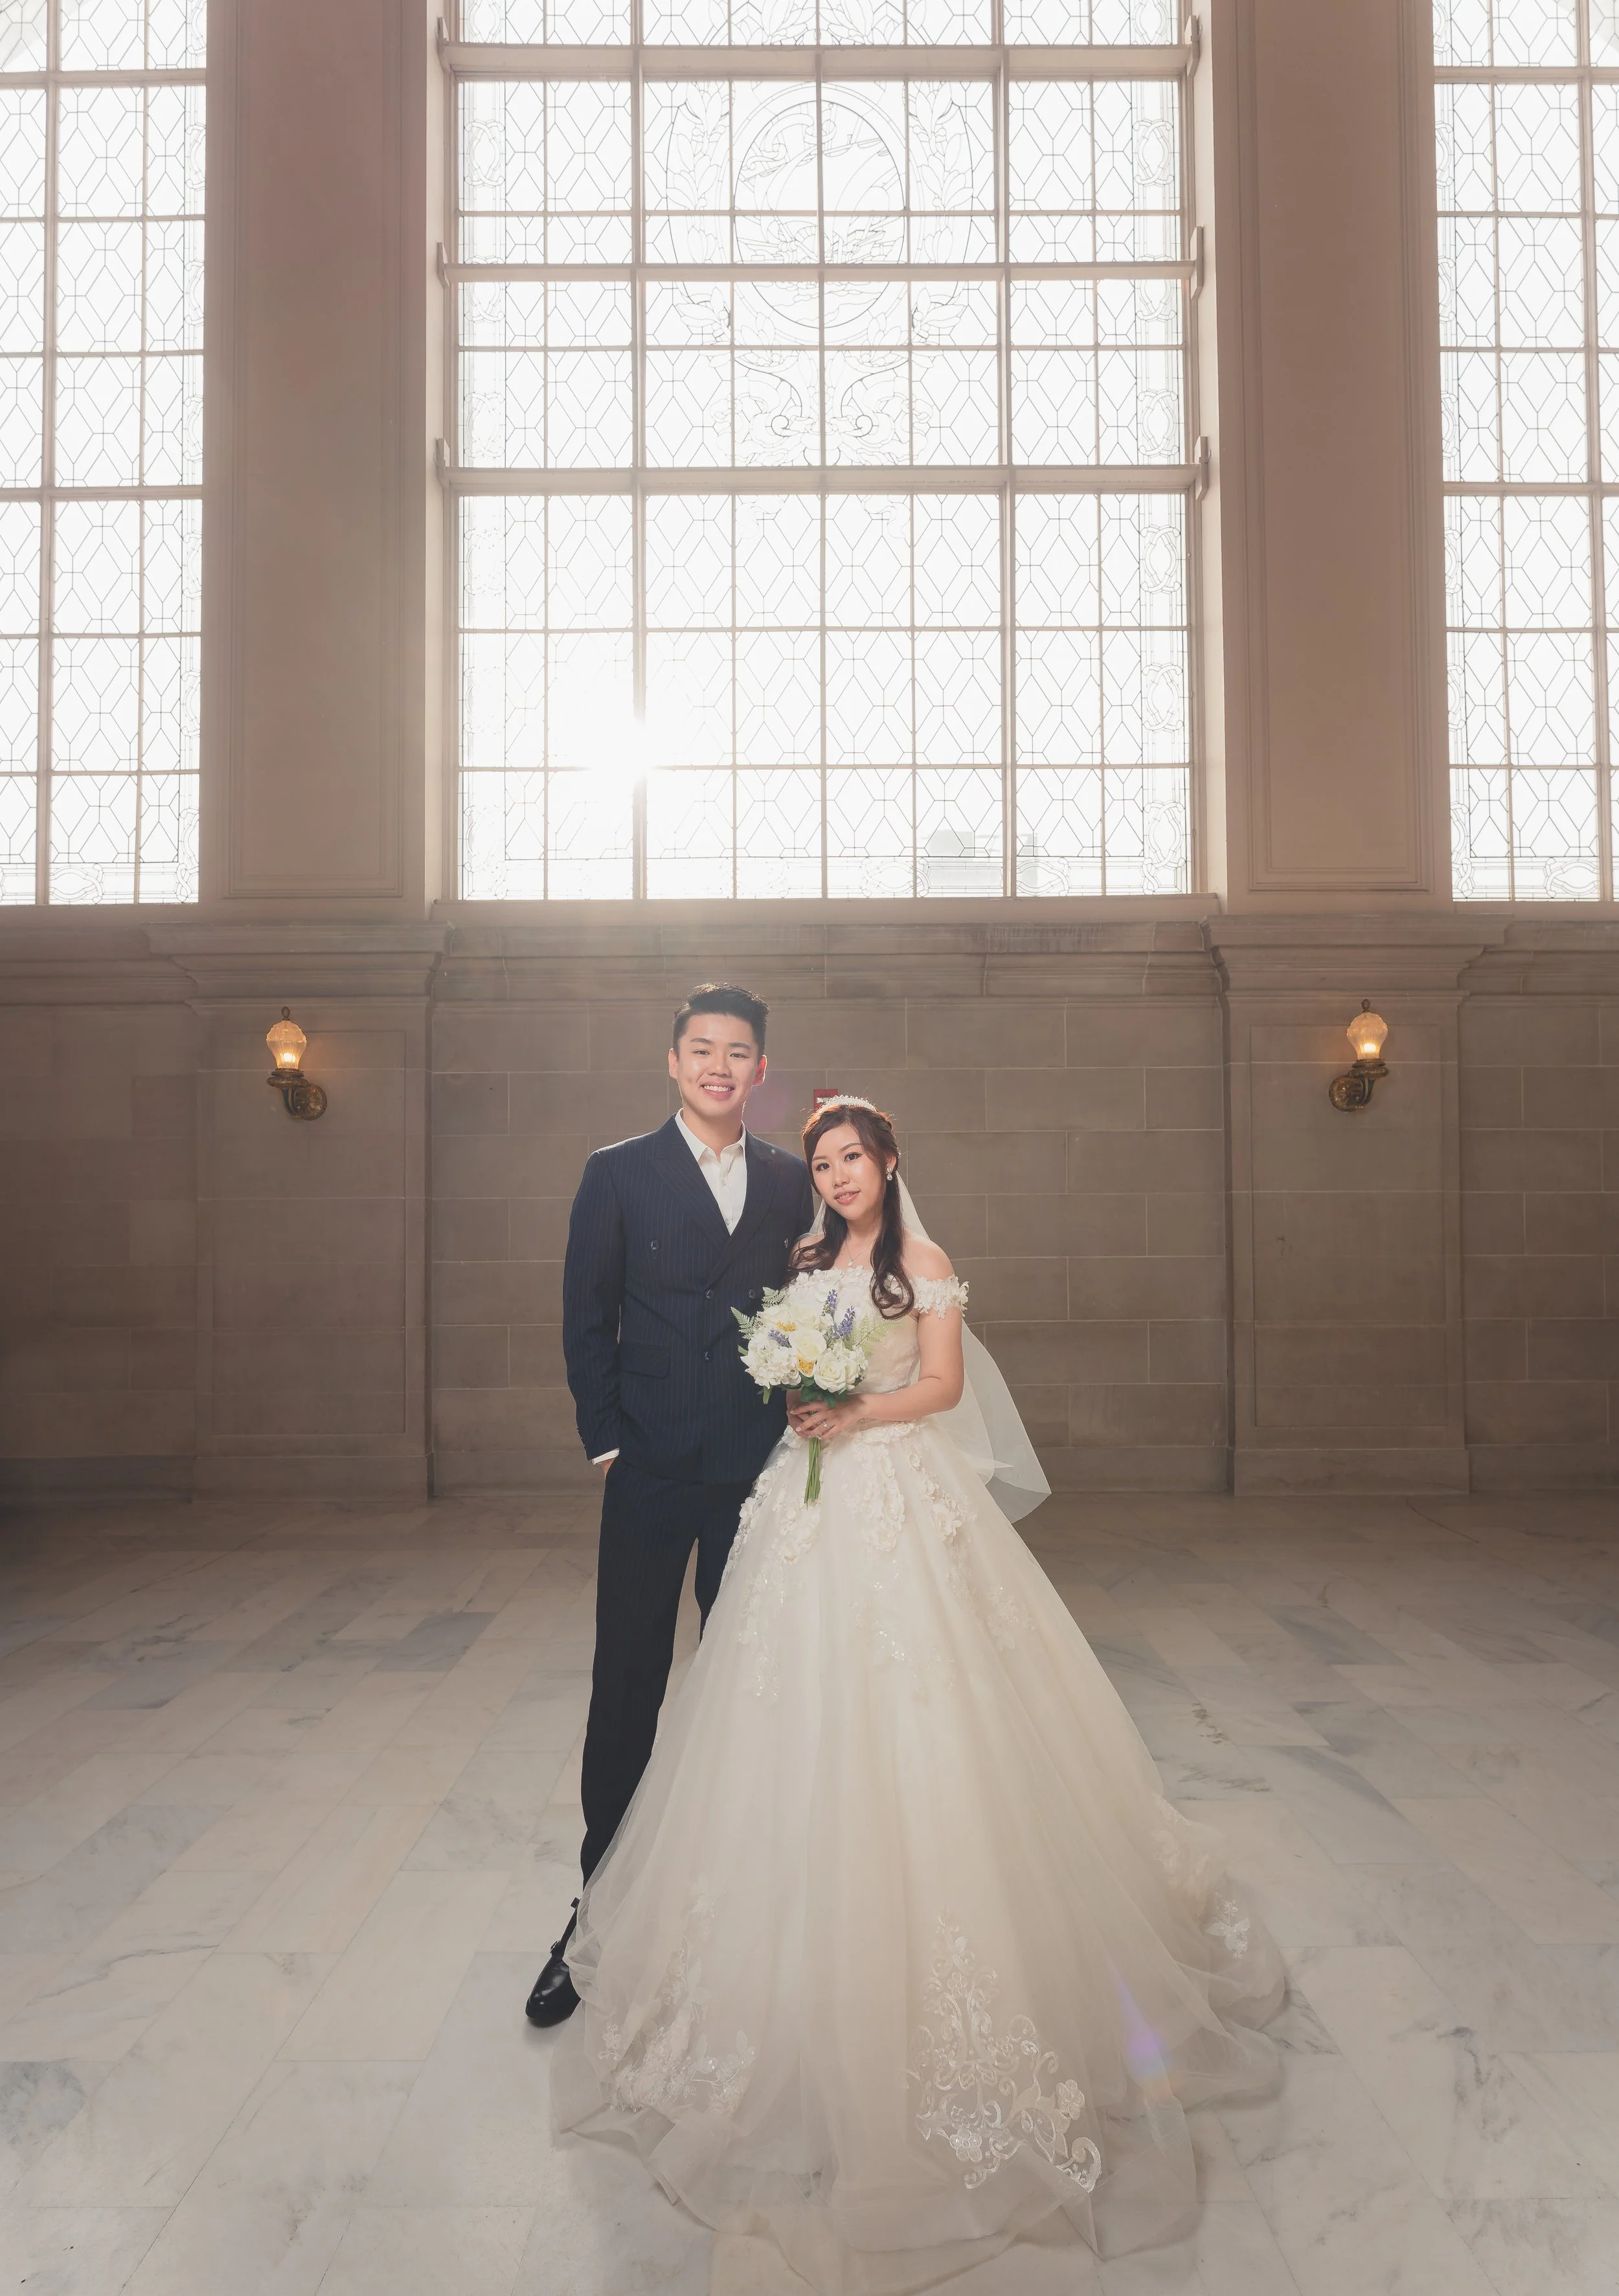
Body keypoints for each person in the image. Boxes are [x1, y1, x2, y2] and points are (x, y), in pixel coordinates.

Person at [550, 1095, 1285, 2287]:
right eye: (826, 1160)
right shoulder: (806, 1259)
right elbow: (786, 1367)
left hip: (894, 1489)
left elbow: (942, 1388)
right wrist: (800, 1401)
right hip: (807, 1498)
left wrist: (854, 1411)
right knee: (779, 1714)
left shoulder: (922, 1265)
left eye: (855, 1158)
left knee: (933, 1715)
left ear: (891, 1163)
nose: (838, 1175)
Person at [524, 984, 814, 2029]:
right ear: (674, 1061)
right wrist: (608, 1441)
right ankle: (596, 1914)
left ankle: (741, 1916)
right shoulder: (617, 1174)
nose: (721, 1065)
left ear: (761, 1073)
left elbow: (804, 1307)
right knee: (629, 1686)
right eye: (703, 1049)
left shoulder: (790, 1182)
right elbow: (584, 1315)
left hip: (754, 1467)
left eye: (740, 1051)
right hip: (646, 1468)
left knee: (748, 1685)